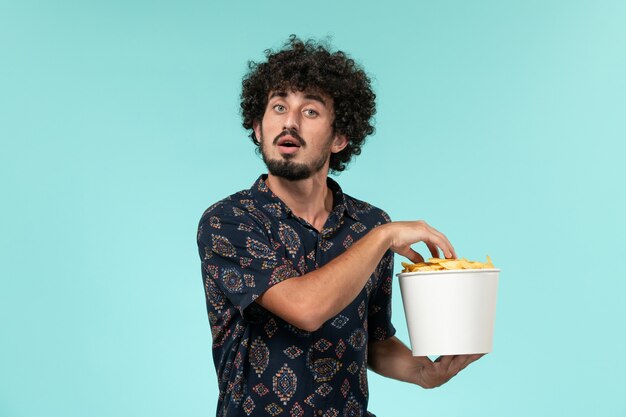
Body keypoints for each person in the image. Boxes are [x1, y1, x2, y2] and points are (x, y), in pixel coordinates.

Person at [197, 35, 483, 417]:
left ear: (340, 138)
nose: (290, 122)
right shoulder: (228, 221)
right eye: (278, 107)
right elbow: (306, 307)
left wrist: (423, 372)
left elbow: (375, 342)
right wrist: (384, 238)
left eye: (310, 111)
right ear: (258, 128)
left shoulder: (369, 223)